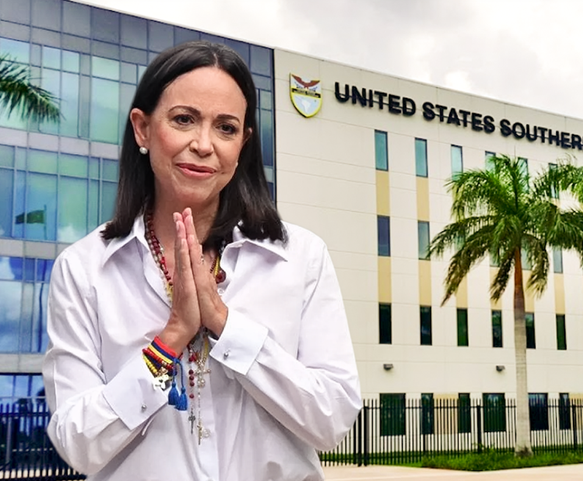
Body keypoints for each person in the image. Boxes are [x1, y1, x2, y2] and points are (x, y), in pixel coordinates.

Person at [42, 40, 361, 480]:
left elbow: (333, 420)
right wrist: (169, 341)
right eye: (184, 119)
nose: (204, 144)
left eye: (226, 127)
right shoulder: (85, 267)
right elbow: (78, 443)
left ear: (243, 143)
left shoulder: (300, 257)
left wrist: (227, 326)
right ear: (142, 128)